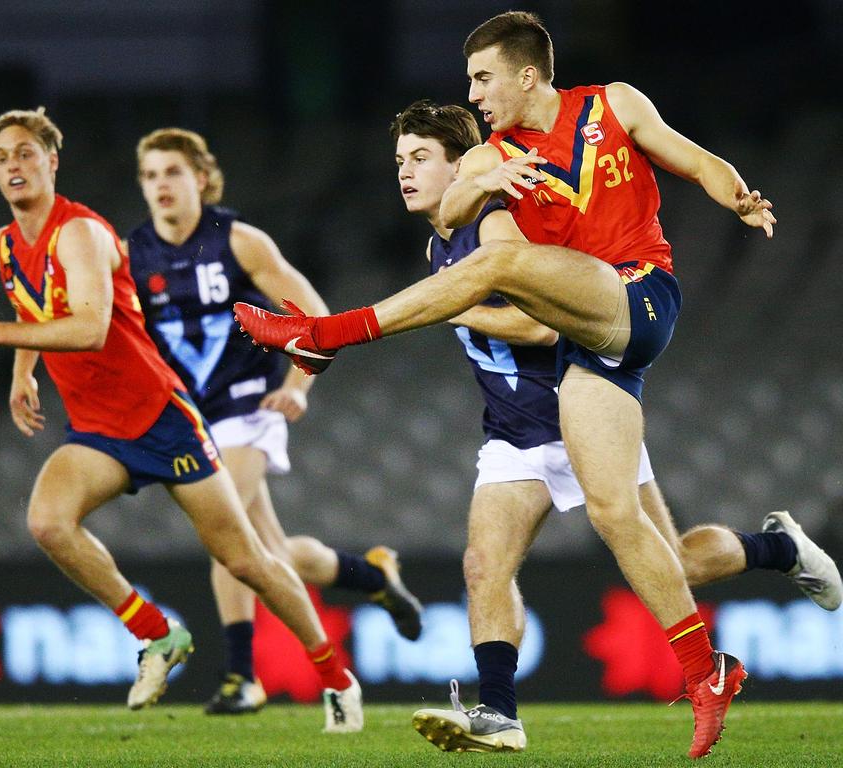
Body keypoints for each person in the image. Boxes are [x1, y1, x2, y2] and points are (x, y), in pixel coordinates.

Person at [232, 11, 818, 757]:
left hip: (640, 293)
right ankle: (706, 673)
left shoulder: (614, 104)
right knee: (617, 520)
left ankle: (323, 337)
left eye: (482, 77)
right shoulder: (490, 158)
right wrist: (481, 183)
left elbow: (694, 158)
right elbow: (447, 215)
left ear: (527, 74)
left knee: (499, 268)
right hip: (592, 350)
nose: (474, 94)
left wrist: (735, 194)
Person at [384, 99, 842, 754]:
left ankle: (780, 549)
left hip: (586, 414)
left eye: (421, 159)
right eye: (401, 160)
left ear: (465, 168)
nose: (405, 172)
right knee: (485, 563)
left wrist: (451, 309)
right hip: (515, 433)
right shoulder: (438, 244)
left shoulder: (495, 225)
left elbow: (542, 325)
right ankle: (498, 712)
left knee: (679, 561)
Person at [0, 107, 363, 733]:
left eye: (26, 153)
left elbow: (88, 326)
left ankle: (335, 677)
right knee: (48, 523)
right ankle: (158, 633)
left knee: (245, 560)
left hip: (159, 418)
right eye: (2, 157)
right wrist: (22, 368)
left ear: (53, 162)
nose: (13, 166)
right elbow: (33, 301)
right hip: (97, 429)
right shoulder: (2, 243)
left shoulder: (80, 232)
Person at [125, 127, 423, 714]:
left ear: (203, 179)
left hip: (249, 407)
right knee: (270, 553)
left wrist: (296, 386)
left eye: (174, 172)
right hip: (192, 421)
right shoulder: (130, 254)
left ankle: (242, 676)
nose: (162, 184)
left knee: (224, 530)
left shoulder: (238, 240)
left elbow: (313, 314)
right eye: (151, 174)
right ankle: (372, 578)